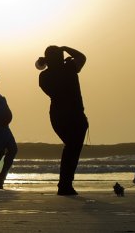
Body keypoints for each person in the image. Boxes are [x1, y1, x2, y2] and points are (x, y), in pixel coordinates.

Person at [37, 46, 89, 196]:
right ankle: (64, 184)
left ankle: (65, 183)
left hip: (57, 116)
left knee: (70, 147)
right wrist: (66, 48)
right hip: (74, 115)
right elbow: (82, 57)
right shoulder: (69, 68)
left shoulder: (44, 77)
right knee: (73, 148)